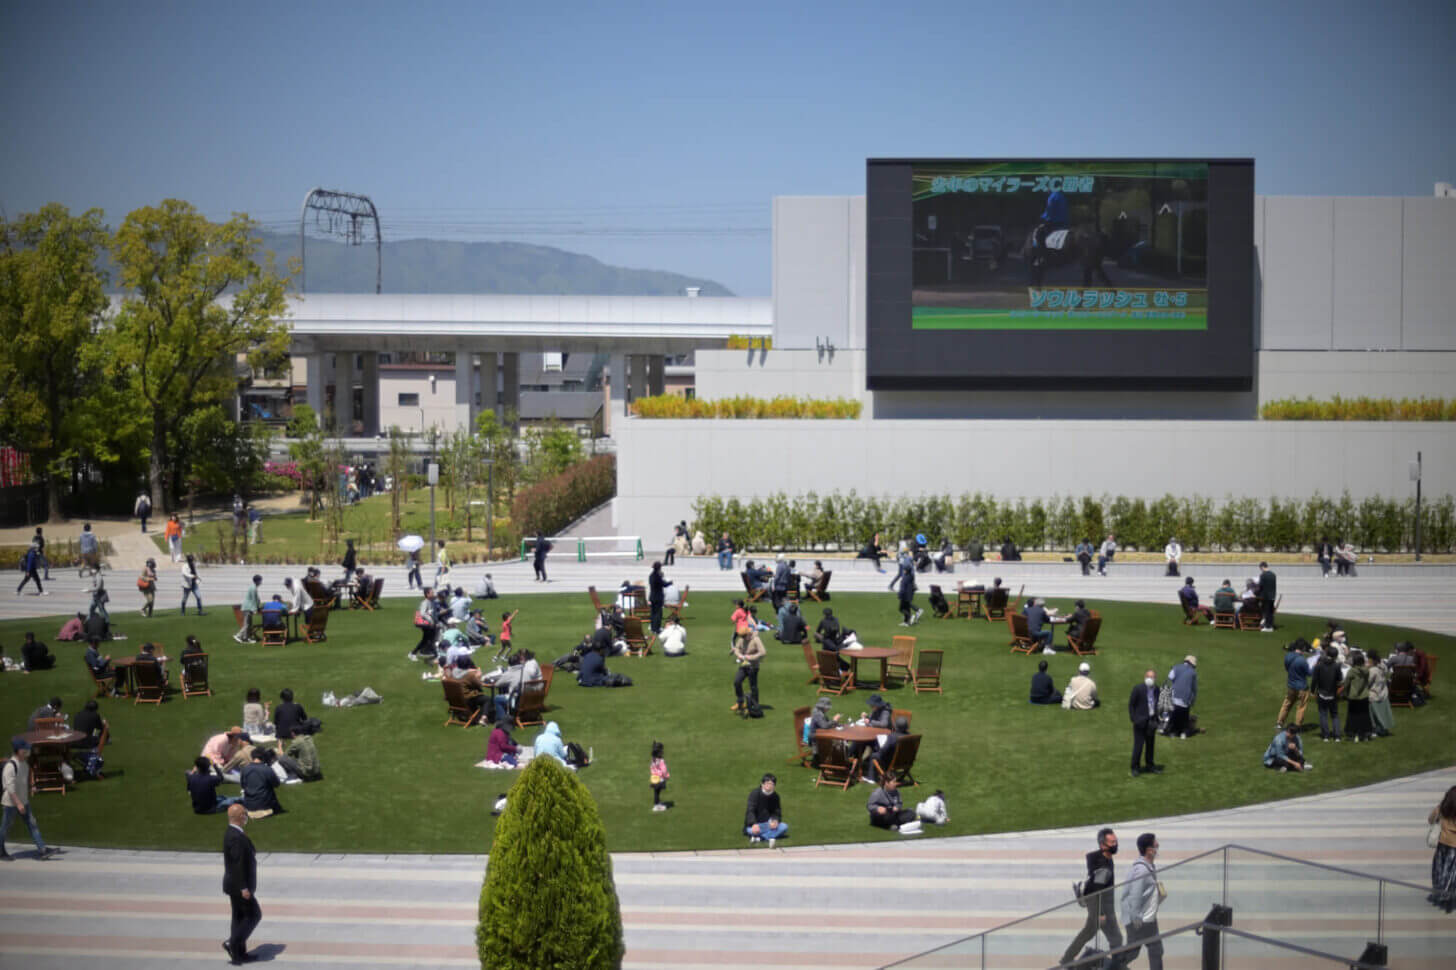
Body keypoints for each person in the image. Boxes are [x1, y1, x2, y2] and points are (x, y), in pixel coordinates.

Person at [1060, 828, 1122, 968]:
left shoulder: (1105, 857)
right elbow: (1096, 890)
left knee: (1087, 933)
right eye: (1112, 842)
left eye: (1116, 841)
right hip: (1101, 906)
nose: (1115, 844)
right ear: (1102, 845)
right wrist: (1100, 914)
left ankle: (1066, 959)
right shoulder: (1103, 866)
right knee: (1116, 939)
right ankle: (1116, 966)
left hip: (1101, 904)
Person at [1, 739, 58, 861]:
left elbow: (23, 779)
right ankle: (1, 852)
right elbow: (10, 789)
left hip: (23, 801)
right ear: (19, 751)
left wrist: (32, 786)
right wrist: (18, 804)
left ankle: (42, 850)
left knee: (32, 825)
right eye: (25, 749)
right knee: (5, 828)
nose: (28, 751)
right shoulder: (10, 766)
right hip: (11, 803)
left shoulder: (24, 764)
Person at [222, 802, 261, 965]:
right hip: (239, 887)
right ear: (240, 817)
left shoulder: (232, 833)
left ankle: (239, 954)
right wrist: (244, 887)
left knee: (239, 918)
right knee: (254, 915)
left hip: (234, 885)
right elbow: (238, 864)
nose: (246, 816)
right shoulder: (236, 837)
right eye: (244, 814)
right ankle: (232, 942)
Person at [1119, 833, 1164, 970]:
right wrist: (1136, 917)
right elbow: (1135, 895)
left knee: (1138, 951)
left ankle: (1108, 966)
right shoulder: (1142, 870)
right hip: (1140, 919)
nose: (1158, 846)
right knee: (1150, 950)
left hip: (1146, 917)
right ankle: (1106, 966)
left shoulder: (1147, 867)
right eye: (1155, 844)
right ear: (1149, 850)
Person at [1129, 670, 1163, 777]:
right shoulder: (1138, 689)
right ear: (1145, 677)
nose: (1150, 679)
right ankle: (1135, 767)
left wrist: (1158, 719)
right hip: (1140, 721)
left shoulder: (1157, 689)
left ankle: (1150, 765)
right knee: (1138, 746)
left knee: (1150, 745)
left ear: (1155, 678)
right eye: (1148, 676)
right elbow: (1131, 705)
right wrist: (1134, 719)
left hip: (1151, 721)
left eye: (1152, 677)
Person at [1429, 784, 1456, 914]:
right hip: (1454, 848)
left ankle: (1440, 893)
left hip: (1442, 845)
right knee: (1451, 874)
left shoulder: (1442, 809)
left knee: (1439, 870)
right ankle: (1447, 897)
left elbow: (1430, 820)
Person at [1276, 639, 1312, 730]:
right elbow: (1309, 673)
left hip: (1291, 685)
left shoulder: (1288, 656)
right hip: (1302, 687)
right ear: (1303, 648)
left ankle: (1279, 723)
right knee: (1301, 707)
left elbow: (1287, 668)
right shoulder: (1302, 660)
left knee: (1286, 704)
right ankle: (1297, 726)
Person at [744, 773, 787, 846]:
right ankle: (768, 836)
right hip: (755, 825)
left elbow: (777, 812)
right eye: (767, 783)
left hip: (768, 824)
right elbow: (750, 810)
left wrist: (775, 820)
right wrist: (754, 824)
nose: (769, 786)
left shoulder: (775, 796)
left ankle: (759, 838)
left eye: (772, 784)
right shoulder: (755, 794)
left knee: (784, 827)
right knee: (750, 830)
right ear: (762, 784)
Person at [1311, 646, 1343, 742]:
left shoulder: (1319, 665)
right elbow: (1340, 680)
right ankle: (1337, 736)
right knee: (1334, 715)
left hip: (1321, 694)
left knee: (1323, 715)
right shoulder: (1337, 666)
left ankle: (1326, 736)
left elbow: (1314, 680)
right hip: (1333, 694)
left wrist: (1312, 691)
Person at [731, 626, 765, 713]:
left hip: (753, 666)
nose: (742, 638)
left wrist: (751, 657)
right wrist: (739, 655)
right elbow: (737, 648)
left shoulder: (756, 639)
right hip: (744, 665)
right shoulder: (742, 639)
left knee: (753, 686)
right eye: (741, 637)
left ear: (748, 634)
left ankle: (755, 705)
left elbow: (763, 652)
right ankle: (740, 702)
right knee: (737, 682)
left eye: (744, 636)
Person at [239, 748, 283, 816]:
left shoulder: (245, 769)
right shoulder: (267, 769)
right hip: (264, 805)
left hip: (248, 804)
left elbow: (243, 786)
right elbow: (276, 784)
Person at [1344, 651, 1373, 742]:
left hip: (1353, 696)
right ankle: (1365, 733)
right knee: (1364, 715)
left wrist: (1345, 693)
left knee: (1353, 716)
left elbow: (1346, 684)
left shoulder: (1351, 671)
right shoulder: (1366, 670)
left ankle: (1353, 733)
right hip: (1364, 696)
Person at [1165, 656, 1198, 739]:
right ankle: (1183, 732)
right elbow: (1194, 689)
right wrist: (1192, 701)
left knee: (1172, 715)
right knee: (1184, 717)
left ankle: (1170, 730)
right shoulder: (1193, 673)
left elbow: (1169, 678)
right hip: (1185, 701)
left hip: (1173, 698)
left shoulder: (1176, 667)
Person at [1365, 649, 1396, 737]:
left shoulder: (1373, 670)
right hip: (1383, 693)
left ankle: (1375, 730)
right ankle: (1383, 729)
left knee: (1374, 715)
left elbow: (1367, 682)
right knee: (1382, 714)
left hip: (1374, 694)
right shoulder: (1383, 667)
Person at [233, 574, 262, 644]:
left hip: (249, 608)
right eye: (260, 580)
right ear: (257, 581)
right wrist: (255, 609)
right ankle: (238, 636)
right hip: (248, 608)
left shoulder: (254, 587)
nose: (261, 582)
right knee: (247, 624)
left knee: (249, 624)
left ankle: (247, 638)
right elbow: (253, 600)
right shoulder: (253, 588)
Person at [895, 557, 921, 626]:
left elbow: (903, 588)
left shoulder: (905, 578)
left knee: (901, 609)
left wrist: (899, 594)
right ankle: (906, 622)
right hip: (909, 595)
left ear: (905, 570)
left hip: (904, 596)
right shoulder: (911, 576)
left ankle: (910, 617)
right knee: (907, 608)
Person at [648, 561, 671, 634]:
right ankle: (656, 628)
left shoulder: (651, 575)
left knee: (653, 612)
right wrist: (670, 582)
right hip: (658, 597)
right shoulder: (657, 576)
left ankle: (652, 627)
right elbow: (664, 584)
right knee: (658, 613)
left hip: (652, 596)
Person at [650, 740, 670, 812]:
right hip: (660, 779)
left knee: (656, 792)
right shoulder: (661, 761)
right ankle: (657, 806)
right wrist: (667, 776)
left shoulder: (653, 760)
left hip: (654, 779)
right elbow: (664, 771)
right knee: (657, 793)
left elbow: (651, 768)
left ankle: (657, 803)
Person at [1257, 561, 1278, 631]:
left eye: (1260, 568)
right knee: (1271, 611)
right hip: (1272, 595)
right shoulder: (1273, 575)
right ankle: (1270, 625)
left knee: (1266, 612)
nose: (1260, 570)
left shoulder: (1263, 575)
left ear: (1262, 567)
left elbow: (1260, 586)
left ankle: (1267, 626)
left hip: (1265, 596)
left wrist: (1257, 593)